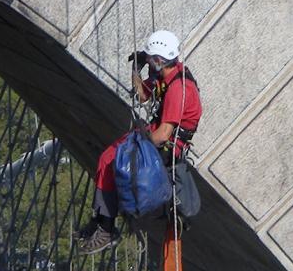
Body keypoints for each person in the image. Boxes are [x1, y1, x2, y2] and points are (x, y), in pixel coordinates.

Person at [77, 30, 202, 254]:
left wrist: (136, 146)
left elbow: (164, 133)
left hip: (165, 146)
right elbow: (143, 95)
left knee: (115, 159)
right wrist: (137, 69)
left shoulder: (178, 88)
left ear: (158, 60)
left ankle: (106, 228)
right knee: (108, 157)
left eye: (151, 59)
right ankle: (101, 219)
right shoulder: (168, 75)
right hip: (157, 137)